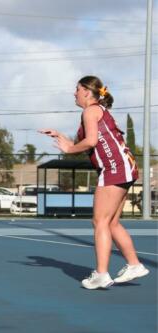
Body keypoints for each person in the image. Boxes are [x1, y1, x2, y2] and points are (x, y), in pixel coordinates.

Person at [39, 75, 149, 289]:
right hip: (123, 167)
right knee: (111, 223)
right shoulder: (97, 111)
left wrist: (70, 149)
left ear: (87, 92)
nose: (74, 93)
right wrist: (64, 139)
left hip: (114, 168)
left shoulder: (90, 111)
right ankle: (134, 264)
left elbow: (91, 141)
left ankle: (101, 274)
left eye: (77, 89)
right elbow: (90, 144)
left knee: (99, 222)